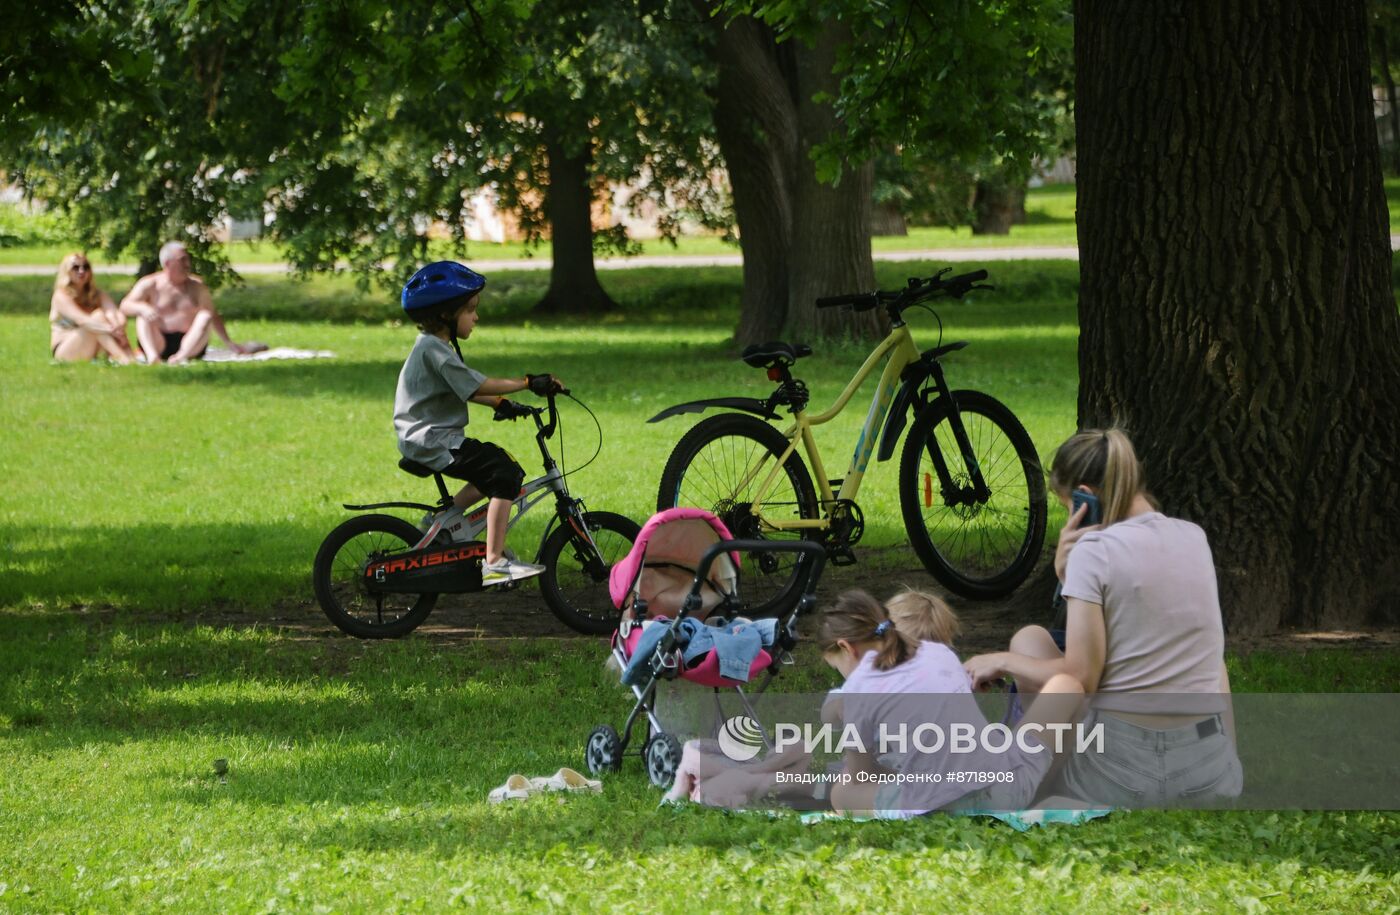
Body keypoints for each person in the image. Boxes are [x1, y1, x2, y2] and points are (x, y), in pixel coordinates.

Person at [962, 429, 1241, 807]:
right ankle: (1229, 766)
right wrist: (1066, 578)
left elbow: (1080, 678)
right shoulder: (1194, 537)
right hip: (1206, 774)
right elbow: (1133, 626)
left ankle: (1030, 781)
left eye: (1068, 507)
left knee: (1028, 649)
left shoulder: (1094, 550)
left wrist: (1000, 660)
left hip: (1123, 775)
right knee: (1211, 663)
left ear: (1085, 498)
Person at [820, 591, 1083, 818]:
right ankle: (1048, 789)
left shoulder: (861, 690)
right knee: (1066, 686)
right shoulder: (942, 658)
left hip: (936, 805)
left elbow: (859, 775)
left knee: (842, 792)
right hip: (1006, 790)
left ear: (847, 647)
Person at [394, 260, 563, 587]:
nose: (476, 317)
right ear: (446, 314)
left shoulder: (435, 347)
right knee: (505, 472)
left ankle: (443, 522)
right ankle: (495, 561)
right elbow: (477, 385)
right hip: (430, 439)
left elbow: (466, 390)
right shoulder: (436, 350)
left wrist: (503, 404)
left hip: (431, 436)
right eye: (470, 310)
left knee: (492, 469)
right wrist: (527, 382)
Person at [119, 241, 250, 364]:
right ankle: (153, 357)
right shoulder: (150, 283)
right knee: (142, 315)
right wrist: (143, 308)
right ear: (167, 264)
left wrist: (229, 343)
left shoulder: (197, 286)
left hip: (189, 344)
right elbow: (125, 305)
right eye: (182, 260)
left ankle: (181, 357)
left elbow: (213, 314)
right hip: (159, 341)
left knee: (205, 316)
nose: (187, 264)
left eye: (187, 259)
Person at [49, 253, 135, 364]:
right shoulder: (61, 295)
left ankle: (128, 357)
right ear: (66, 271)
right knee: (98, 316)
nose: (81, 271)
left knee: (110, 318)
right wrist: (110, 330)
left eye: (86, 267)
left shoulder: (96, 294)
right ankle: (123, 358)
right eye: (76, 267)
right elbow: (82, 320)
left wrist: (119, 326)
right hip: (65, 350)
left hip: (91, 346)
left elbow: (116, 313)